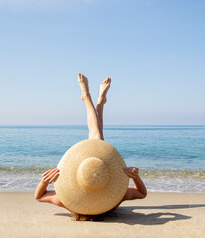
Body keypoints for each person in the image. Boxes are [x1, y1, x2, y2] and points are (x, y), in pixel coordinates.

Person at [34, 73, 147, 221]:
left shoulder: (69, 202)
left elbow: (39, 196)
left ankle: (90, 98)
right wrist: (135, 177)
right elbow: (142, 193)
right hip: (98, 166)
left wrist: (45, 182)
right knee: (98, 137)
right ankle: (93, 100)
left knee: (97, 137)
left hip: (92, 167)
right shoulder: (114, 202)